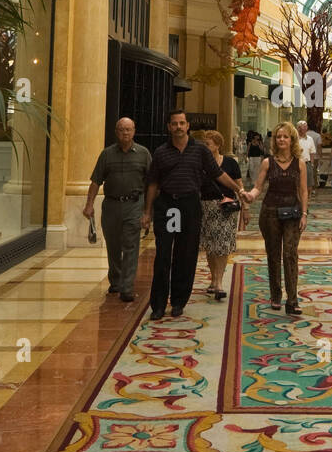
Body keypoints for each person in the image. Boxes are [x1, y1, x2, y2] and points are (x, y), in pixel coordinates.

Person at [141, 110, 245, 320]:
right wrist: (147, 212)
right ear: (169, 127)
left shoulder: (200, 151)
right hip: (169, 207)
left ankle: (179, 301)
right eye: (174, 123)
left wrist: (238, 190)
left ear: (188, 126)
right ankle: (159, 305)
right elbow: (152, 184)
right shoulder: (161, 152)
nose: (178, 127)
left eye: (182, 123)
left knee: (185, 254)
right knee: (163, 255)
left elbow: (218, 174)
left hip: (189, 205)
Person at [242, 122, 309, 315]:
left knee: (290, 254)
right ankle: (276, 295)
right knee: (273, 254)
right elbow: (258, 186)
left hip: (293, 214)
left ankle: (293, 299)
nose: (281, 139)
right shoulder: (267, 162)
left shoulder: (300, 163)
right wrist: (251, 196)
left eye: (285, 136)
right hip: (270, 212)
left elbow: (303, 191)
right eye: (278, 136)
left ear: (292, 140)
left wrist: (304, 213)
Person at [83, 117, 151, 303]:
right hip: (111, 205)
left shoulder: (143, 154)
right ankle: (116, 280)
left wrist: (148, 211)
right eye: (122, 129)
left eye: (129, 129)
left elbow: (151, 183)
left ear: (134, 131)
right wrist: (89, 204)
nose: (125, 133)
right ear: (116, 131)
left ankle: (127, 288)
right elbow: (96, 180)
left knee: (130, 245)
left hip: (134, 204)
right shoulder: (107, 155)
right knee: (113, 246)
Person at [197, 130, 247, 301]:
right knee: (211, 244)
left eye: (208, 144)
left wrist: (245, 208)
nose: (205, 146)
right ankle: (213, 277)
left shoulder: (230, 163)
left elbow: (239, 187)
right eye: (203, 143)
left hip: (226, 207)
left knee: (223, 244)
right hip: (207, 207)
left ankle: (218, 282)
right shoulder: (200, 163)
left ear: (217, 145)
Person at [296, 121, 318, 192]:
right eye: (304, 126)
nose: (306, 128)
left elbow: (312, 152)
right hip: (296, 163)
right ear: (298, 128)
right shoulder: (294, 139)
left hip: (307, 163)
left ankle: (307, 199)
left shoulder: (310, 139)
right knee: (298, 184)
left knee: (309, 185)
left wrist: (311, 164)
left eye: (306, 126)